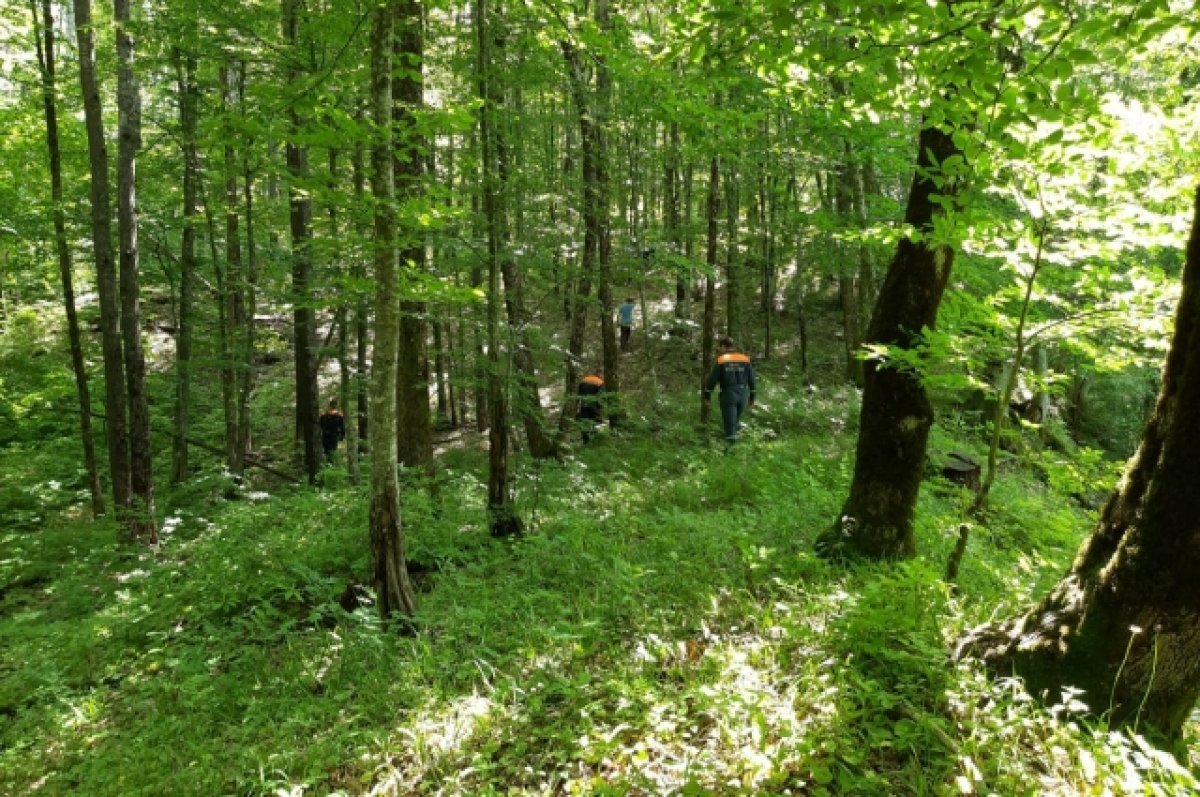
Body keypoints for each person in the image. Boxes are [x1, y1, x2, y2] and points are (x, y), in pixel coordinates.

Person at [702, 337, 756, 443]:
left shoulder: (722, 360)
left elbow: (712, 380)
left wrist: (707, 395)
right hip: (743, 394)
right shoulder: (745, 359)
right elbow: (752, 380)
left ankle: (731, 452)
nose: (720, 350)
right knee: (735, 423)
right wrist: (752, 397)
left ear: (723, 346)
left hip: (728, 395)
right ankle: (734, 448)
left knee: (730, 425)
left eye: (720, 347)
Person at [576, 372, 606, 443]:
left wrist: (578, 406)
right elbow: (601, 396)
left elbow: (579, 395)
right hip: (594, 405)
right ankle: (596, 439)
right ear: (598, 376)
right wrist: (600, 407)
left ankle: (585, 440)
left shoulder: (583, 381)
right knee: (597, 422)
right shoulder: (600, 382)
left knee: (584, 422)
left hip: (584, 405)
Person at [318, 398, 345, 463]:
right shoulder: (325, 415)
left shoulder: (326, 415)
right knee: (330, 452)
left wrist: (342, 435)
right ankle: (329, 466)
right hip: (330, 436)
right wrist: (342, 436)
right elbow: (342, 427)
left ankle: (329, 465)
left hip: (329, 436)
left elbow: (342, 427)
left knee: (329, 452)